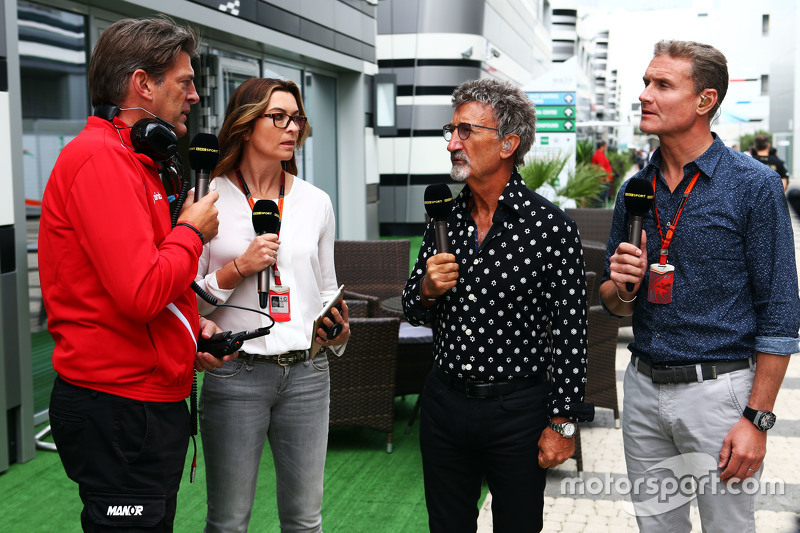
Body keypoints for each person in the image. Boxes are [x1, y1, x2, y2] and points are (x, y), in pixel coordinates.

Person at [600, 40, 800, 532]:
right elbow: (615, 305)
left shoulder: (753, 185)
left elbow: (780, 310)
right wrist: (625, 285)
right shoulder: (635, 188)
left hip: (721, 393)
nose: (645, 94)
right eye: (646, 82)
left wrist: (757, 419)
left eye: (662, 84)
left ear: (705, 101)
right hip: (644, 388)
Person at [39, 17, 227, 531]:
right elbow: (141, 291)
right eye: (184, 82)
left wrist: (191, 333)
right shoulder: (100, 160)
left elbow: (147, 283)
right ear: (142, 84)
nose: (193, 95)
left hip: (141, 401)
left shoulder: (133, 159)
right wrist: (191, 232)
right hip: (119, 407)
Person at [402, 78, 593, 532]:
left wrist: (562, 422)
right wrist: (427, 289)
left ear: (508, 143)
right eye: (451, 131)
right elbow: (412, 308)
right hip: (445, 403)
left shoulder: (551, 227)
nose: (452, 143)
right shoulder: (443, 217)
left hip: (518, 412)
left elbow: (571, 333)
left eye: (466, 131)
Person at [195, 77, 350, 533]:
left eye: (297, 118)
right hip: (234, 375)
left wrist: (337, 332)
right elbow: (186, 301)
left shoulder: (315, 202)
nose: (292, 128)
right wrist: (238, 268)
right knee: (228, 522)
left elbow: (326, 291)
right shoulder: (207, 199)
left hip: (308, 374)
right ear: (245, 125)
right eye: (277, 117)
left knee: (305, 521)